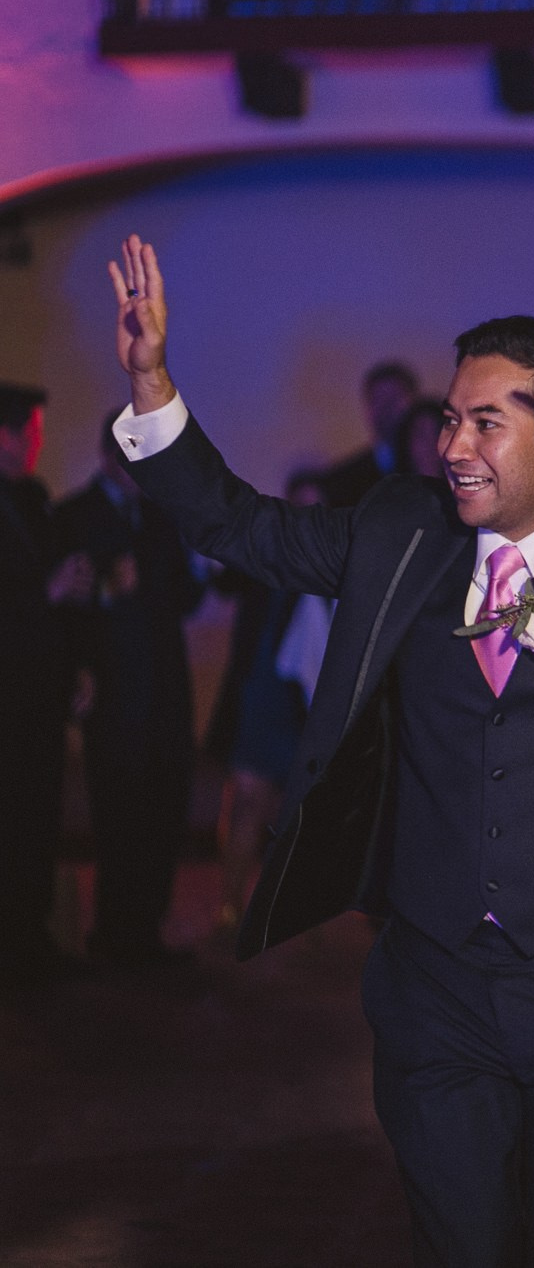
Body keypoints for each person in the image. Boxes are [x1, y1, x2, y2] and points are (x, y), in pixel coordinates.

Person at [105, 236, 534, 1265]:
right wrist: (151, 382)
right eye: (448, 419)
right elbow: (237, 525)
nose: (454, 446)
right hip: (432, 988)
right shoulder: (401, 530)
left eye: (487, 422)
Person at [57, 410, 208, 970]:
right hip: (113, 690)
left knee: (164, 808)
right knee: (117, 813)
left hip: (167, 686)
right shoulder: (73, 515)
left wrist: (195, 553)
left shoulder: (162, 517)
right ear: (108, 455)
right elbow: (57, 604)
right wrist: (102, 590)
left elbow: (189, 601)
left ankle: (145, 931)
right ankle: (114, 933)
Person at [208, 469, 331, 931]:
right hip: (262, 698)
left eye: (314, 509)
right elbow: (221, 579)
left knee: (301, 814)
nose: (305, 518)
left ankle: (294, 913)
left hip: (311, 704)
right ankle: (230, 905)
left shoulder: (337, 569)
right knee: (246, 800)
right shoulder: (264, 561)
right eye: (297, 507)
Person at [0, 382, 93, 987]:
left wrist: (77, 662)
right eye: (26, 431)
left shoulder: (33, 501)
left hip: (37, 690)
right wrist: (48, 594)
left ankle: (26, 938)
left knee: (36, 817)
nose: (36, 442)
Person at [320, 358, 419, 506]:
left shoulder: (437, 469)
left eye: (394, 398)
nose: (387, 408)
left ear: (415, 402)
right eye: (379, 400)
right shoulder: (343, 480)